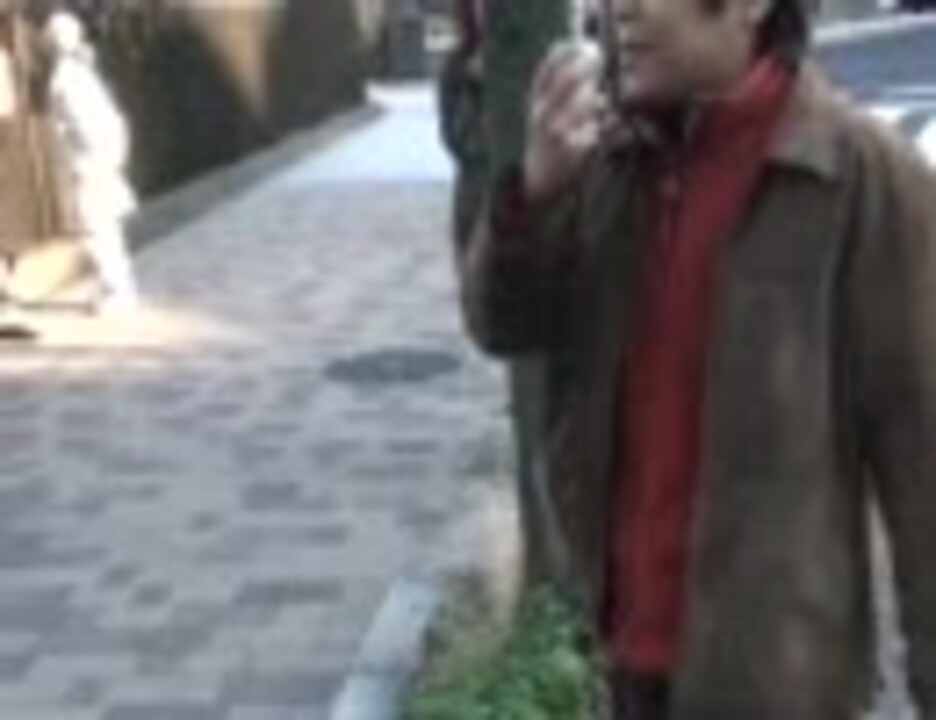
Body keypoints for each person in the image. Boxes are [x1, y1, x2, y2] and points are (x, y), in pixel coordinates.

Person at [459, 0, 936, 715]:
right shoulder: (611, 158)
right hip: (623, 659)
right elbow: (502, 326)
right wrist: (533, 192)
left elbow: (922, 456)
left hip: (774, 685)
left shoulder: (860, 176)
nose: (620, 10)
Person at [43, 9, 138, 312]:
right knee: (104, 227)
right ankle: (116, 287)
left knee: (97, 228)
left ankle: (116, 291)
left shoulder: (66, 78)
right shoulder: (81, 71)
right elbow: (113, 118)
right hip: (99, 158)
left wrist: (94, 159)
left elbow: (86, 123)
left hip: (90, 162)